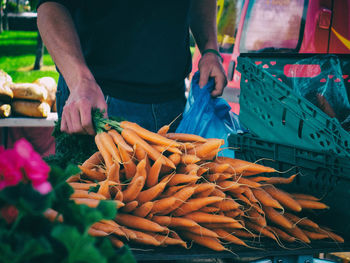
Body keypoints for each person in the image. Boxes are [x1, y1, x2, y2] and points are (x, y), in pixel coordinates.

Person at [37, 0, 227, 135]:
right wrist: (80, 81)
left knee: (172, 189)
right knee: (91, 190)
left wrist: (210, 48)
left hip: (173, 102)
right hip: (96, 101)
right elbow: (51, 6)